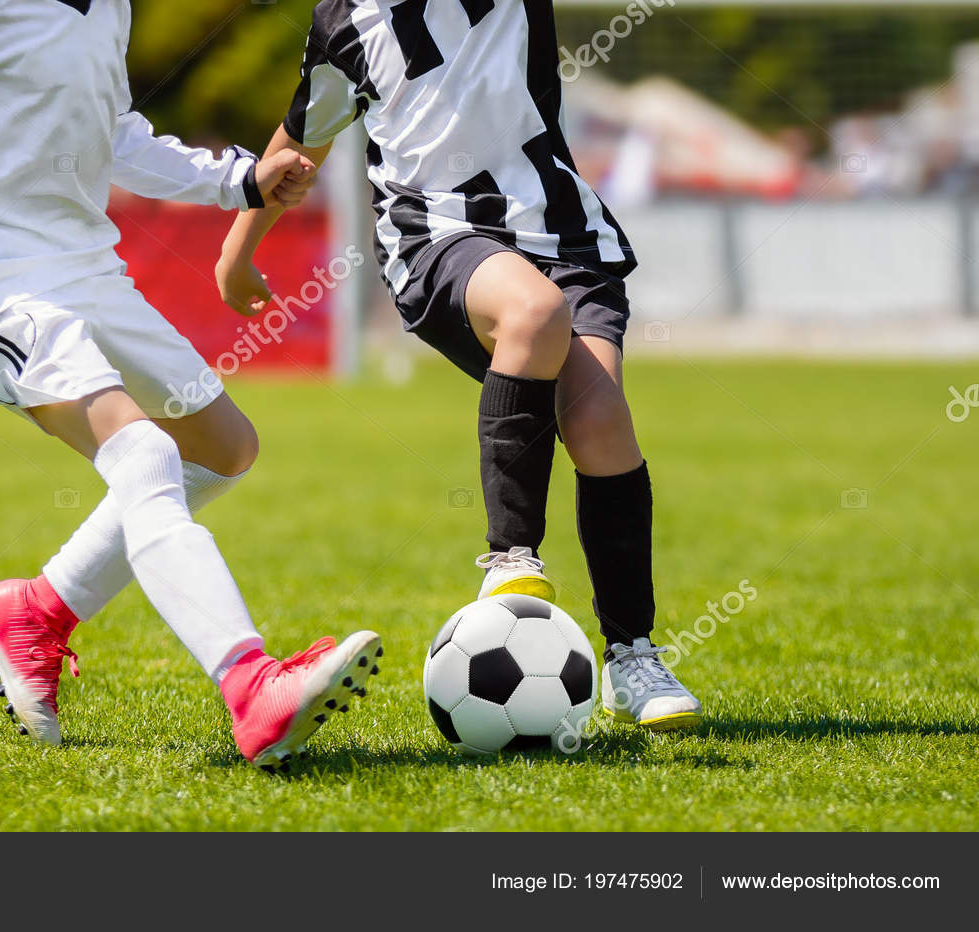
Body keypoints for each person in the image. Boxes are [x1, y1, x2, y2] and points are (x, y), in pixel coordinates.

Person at [0, 0, 381, 770]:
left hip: (85, 265)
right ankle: (251, 687)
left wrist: (239, 180)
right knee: (142, 452)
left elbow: (111, 134)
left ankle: (37, 612)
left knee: (224, 446)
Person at [216, 0, 700, 730]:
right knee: (532, 313)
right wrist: (237, 248)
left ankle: (632, 657)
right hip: (436, 233)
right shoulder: (346, 21)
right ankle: (511, 557)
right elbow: (303, 138)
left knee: (599, 420)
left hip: (566, 235)